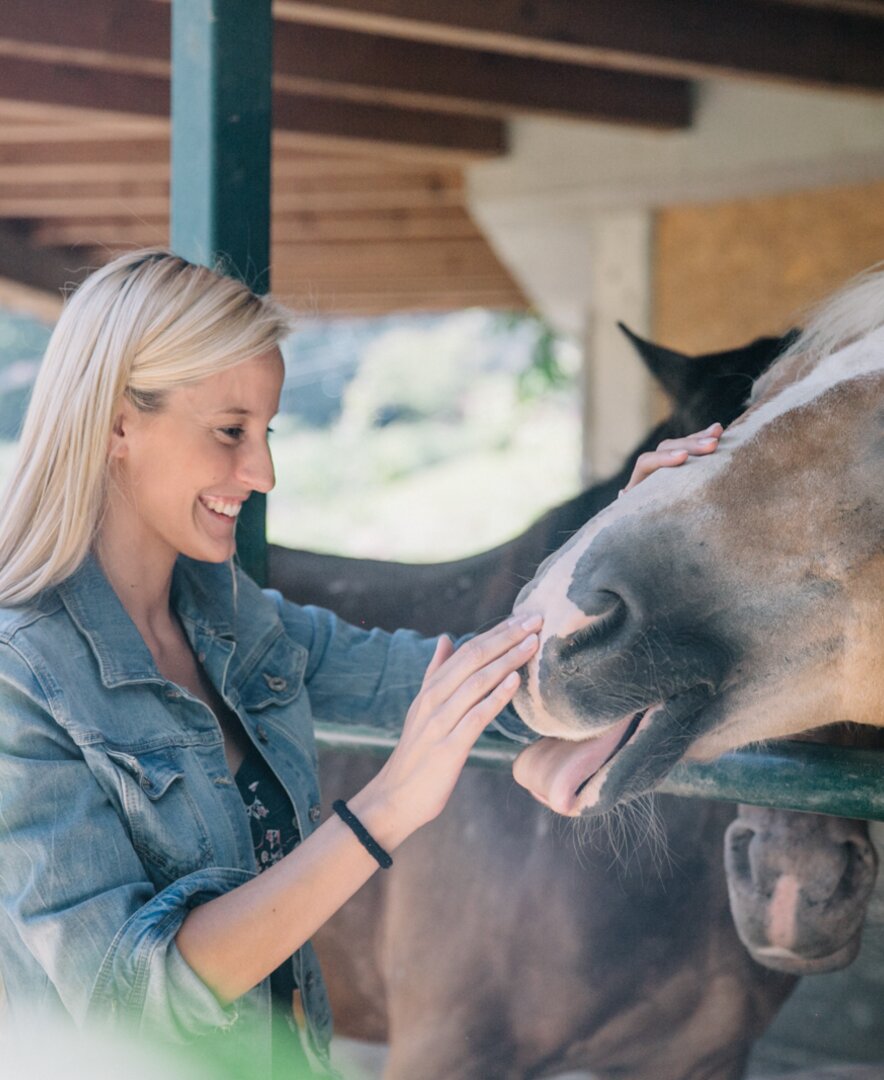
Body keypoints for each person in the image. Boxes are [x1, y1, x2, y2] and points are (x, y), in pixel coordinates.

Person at [0, 249, 721, 1077]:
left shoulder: (232, 620)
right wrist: (388, 808)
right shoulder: (19, 674)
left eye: (264, 433)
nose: (261, 471)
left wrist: (620, 538)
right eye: (230, 432)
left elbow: (463, 681)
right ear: (118, 423)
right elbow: (132, 1003)